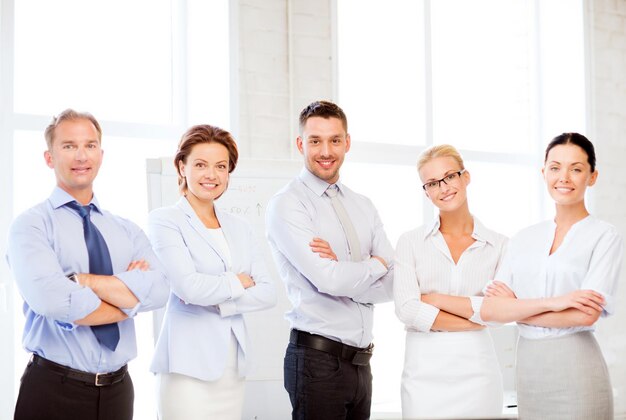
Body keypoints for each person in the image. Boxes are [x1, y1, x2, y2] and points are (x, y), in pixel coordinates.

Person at [6, 109, 169, 420]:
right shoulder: (31, 226)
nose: (81, 155)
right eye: (68, 146)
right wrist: (129, 298)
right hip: (54, 389)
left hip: (119, 390)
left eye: (90, 145)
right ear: (49, 157)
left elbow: (160, 290)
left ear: (101, 154)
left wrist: (82, 280)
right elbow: (53, 300)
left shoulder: (126, 230)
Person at [472, 132, 622, 419]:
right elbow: (491, 310)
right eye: (555, 167)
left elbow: (584, 315)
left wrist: (515, 308)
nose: (563, 177)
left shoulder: (604, 236)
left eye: (576, 169)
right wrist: (557, 303)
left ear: (592, 176)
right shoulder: (523, 239)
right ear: (544, 173)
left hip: (577, 367)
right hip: (529, 370)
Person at [266, 100, 394, 420]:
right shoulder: (288, 204)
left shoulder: (363, 205)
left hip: (362, 366)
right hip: (316, 363)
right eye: (315, 141)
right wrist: (373, 266)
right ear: (300, 144)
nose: (326, 151)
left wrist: (346, 275)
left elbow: (394, 282)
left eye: (335, 140)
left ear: (347, 143)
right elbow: (329, 279)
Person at [148, 124, 277, 420]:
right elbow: (188, 288)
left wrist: (219, 299)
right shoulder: (165, 220)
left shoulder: (240, 227)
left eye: (221, 166)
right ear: (182, 167)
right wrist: (239, 283)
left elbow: (268, 291)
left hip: (232, 368)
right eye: (201, 165)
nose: (212, 175)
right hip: (186, 368)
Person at [393, 144, 505, 418]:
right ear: (426, 191)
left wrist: (435, 300)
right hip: (424, 374)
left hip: (478, 373)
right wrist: (476, 318)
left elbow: (501, 314)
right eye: (432, 183)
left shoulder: (500, 245)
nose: (443, 188)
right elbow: (406, 309)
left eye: (449, 177)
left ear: (465, 177)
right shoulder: (410, 242)